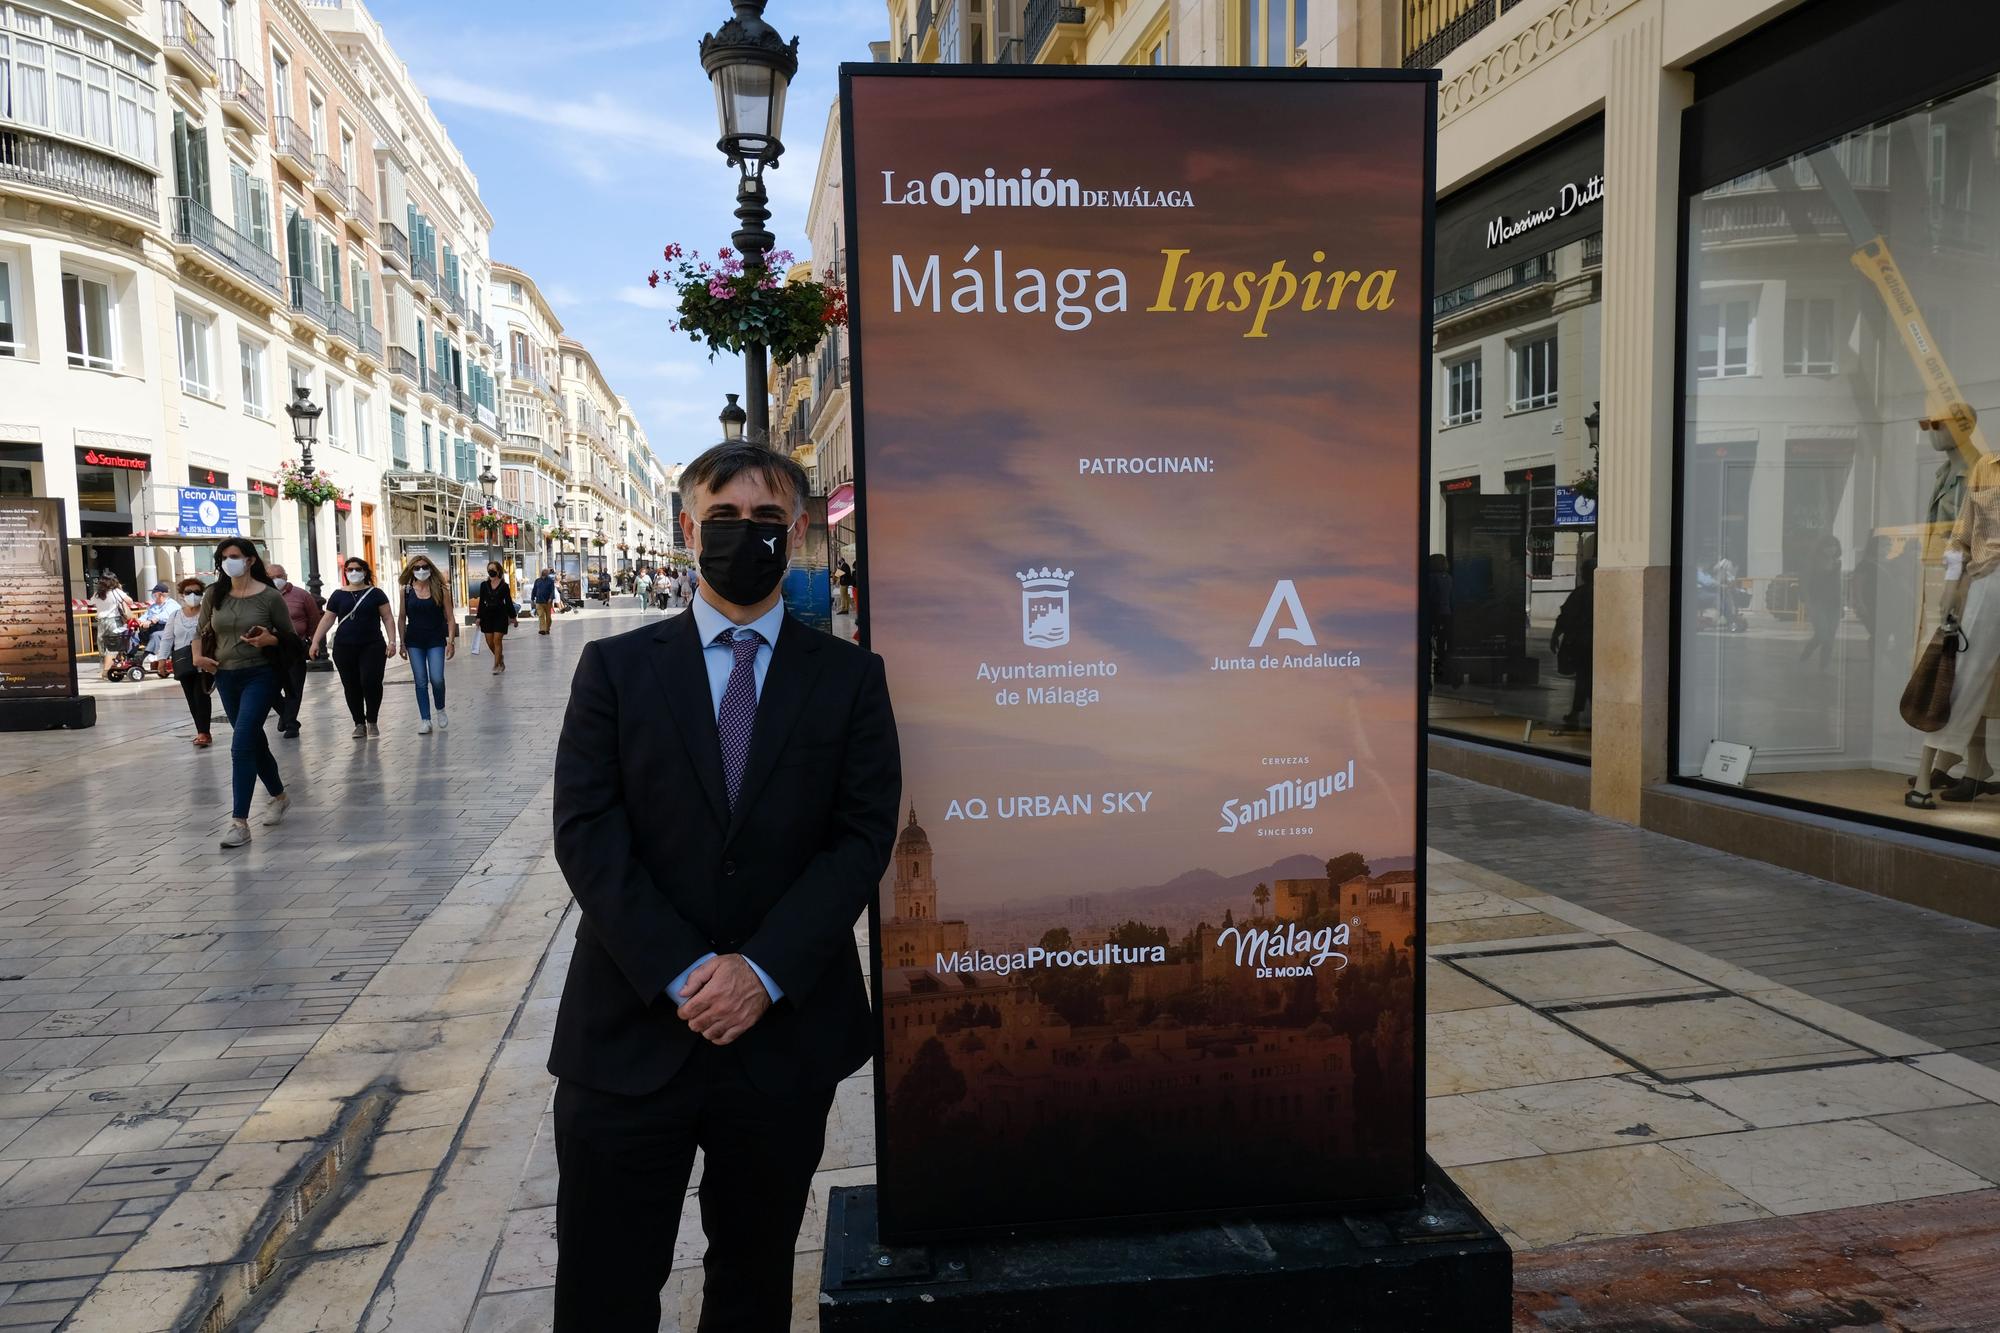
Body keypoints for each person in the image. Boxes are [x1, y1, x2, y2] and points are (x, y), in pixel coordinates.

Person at [550, 442, 901, 1332]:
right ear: (686, 528)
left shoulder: (851, 681)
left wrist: (762, 970)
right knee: (604, 1283)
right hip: (630, 1033)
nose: (747, 537)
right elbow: (588, 834)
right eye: (724, 519)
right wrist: (684, 971)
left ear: (799, 532)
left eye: (768, 521)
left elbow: (860, 838)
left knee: (753, 1280)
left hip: (781, 1042)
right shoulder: (617, 673)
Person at [191, 537, 300, 848]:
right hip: (226, 676)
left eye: (235, 556)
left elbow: (290, 639)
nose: (229, 561)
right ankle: (279, 796)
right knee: (254, 740)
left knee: (240, 745)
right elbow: (201, 631)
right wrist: (199, 658)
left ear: (251, 560)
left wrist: (270, 640)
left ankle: (239, 823)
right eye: (224, 557)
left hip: (261, 675)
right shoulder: (215, 594)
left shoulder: (269, 597)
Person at [309, 556, 397, 738]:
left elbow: (387, 617)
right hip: (344, 647)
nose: (354, 572)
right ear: (345, 572)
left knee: (370, 681)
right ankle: (359, 723)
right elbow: (327, 619)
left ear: (365, 572)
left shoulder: (376, 593)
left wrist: (392, 641)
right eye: (350, 569)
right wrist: (315, 641)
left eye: (358, 569)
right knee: (351, 685)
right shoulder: (338, 595)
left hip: (372, 645)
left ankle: (372, 720)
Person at [397, 554, 456, 734]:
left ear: (430, 569)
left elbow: (450, 618)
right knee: (420, 680)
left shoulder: (441, 589)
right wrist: (401, 643)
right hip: (414, 640)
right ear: (411, 570)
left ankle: (440, 708)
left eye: (424, 567)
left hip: (436, 639)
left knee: (437, 678)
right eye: (417, 568)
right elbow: (401, 618)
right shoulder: (405, 591)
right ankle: (425, 719)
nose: (421, 571)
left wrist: (451, 641)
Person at [160, 576, 212, 748]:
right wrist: (162, 660)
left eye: (197, 592)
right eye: (189, 592)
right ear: (182, 595)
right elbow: (167, 639)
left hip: (203, 662)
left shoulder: (208, 613)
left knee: (201, 695)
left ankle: (204, 732)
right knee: (191, 698)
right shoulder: (175, 616)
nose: (193, 595)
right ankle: (201, 731)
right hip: (183, 662)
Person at [267, 564, 318, 737]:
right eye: (271, 577)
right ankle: (287, 716)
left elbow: (314, 619)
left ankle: (290, 725)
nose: (276, 580)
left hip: (294, 647)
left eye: (279, 575)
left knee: (294, 687)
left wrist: (311, 641)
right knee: (270, 688)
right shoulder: (262, 596)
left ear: (286, 576)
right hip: (270, 649)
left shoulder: (301, 595)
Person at [1552, 562, 1595, 729]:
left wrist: (1556, 634)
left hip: (1583, 643)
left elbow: (1566, 615)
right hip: (1591, 642)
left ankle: (1578, 712)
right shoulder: (1597, 592)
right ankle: (1582, 711)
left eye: (1583, 571)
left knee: (1584, 678)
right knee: (1587, 678)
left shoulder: (1582, 593)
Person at [1799, 533, 1843, 670]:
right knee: (1822, 633)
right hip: (1817, 601)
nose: (1832, 549)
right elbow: (1805, 583)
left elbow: (1838, 585)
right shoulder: (1812, 562)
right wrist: (1807, 601)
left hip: (1834, 603)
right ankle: (1807, 651)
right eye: (1828, 546)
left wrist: (1841, 605)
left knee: (1830, 637)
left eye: (1834, 546)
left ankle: (1823, 666)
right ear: (1821, 548)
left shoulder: (1837, 563)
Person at [88, 575, 136, 680]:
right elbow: (130, 601)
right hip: (114, 621)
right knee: (113, 646)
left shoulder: (97, 594)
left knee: (103, 647)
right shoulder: (116, 592)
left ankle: (107, 669)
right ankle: (106, 671)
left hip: (101, 622)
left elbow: (90, 603)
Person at [476, 562, 518, 673]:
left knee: (497, 640)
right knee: (490, 642)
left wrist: (513, 617)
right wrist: (478, 617)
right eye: (489, 569)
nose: (490, 571)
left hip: (500, 614)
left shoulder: (504, 586)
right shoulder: (484, 585)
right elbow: (481, 602)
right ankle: (500, 658)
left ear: (498, 571)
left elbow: (508, 602)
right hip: (487, 615)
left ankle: (496, 665)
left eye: (493, 569)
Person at [532, 567, 557, 635]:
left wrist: (551, 598)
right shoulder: (537, 581)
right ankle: (542, 629)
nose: (544, 573)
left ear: (547, 574)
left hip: (547, 601)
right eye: (543, 572)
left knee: (548, 617)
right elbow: (534, 590)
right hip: (539, 601)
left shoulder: (550, 581)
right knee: (541, 615)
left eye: (546, 573)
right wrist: (532, 598)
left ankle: (547, 628)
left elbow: (552, 591)